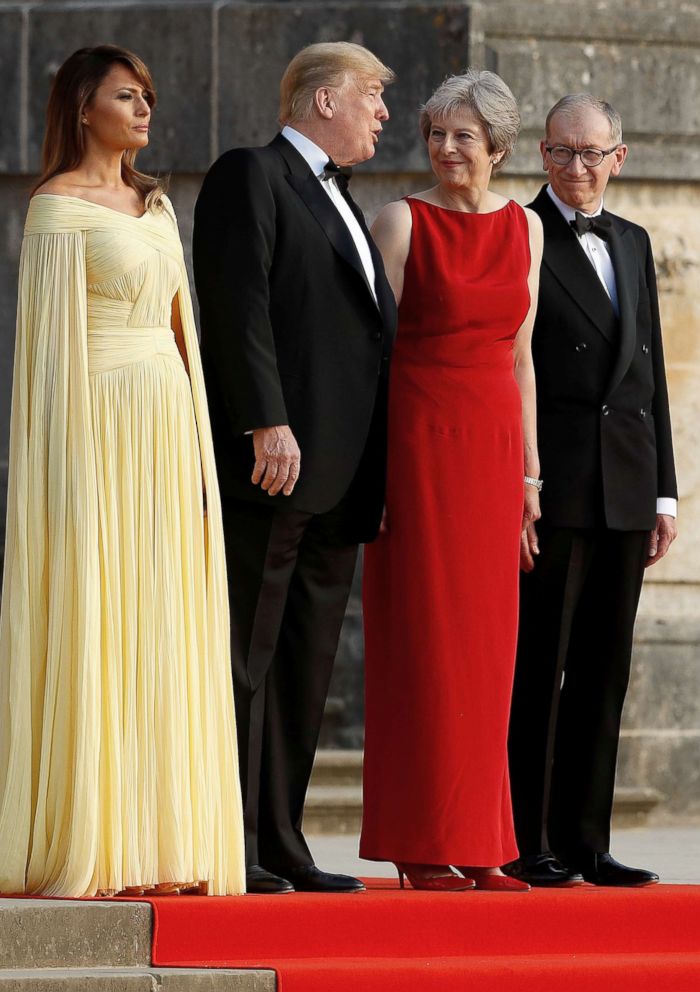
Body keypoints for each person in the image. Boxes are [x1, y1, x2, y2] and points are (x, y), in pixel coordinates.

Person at [0, 45, 245, 899]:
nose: (146, 109)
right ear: (84, 107)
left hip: (165, 426)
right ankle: (98, 841)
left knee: (163, 623)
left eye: (148, 96)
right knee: (105, 620)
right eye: (128, 95)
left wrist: (202, 454)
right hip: (100, 434)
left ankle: (165, 843)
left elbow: (184, 334)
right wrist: (66, 472)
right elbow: (48, 361)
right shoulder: (57, 209)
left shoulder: (157, 206)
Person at [193, 42, 397, 895]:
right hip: (274, 465)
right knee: (245, 656)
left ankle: (281, 840)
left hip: (343, 477)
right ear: (322, 100)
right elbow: (238, 307)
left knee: (305, 664)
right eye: (373, 97)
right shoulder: (252, 174)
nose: (384, 113)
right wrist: (265, 421)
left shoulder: (349, 200)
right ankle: (225, 840)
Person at [360, 69, 543, 892]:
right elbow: (369, 358)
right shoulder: (399, 222)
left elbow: (520, 358)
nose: (445, 148)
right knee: (424, 644)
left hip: (494, 452)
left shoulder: (526, 232)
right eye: (436, 133)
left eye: (463, 136)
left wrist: (532, 476)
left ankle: (480, 841)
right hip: (419, 445)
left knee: (486, 653)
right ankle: (419, 842)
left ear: (499, 148)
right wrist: (376, 471)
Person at [504, 94, 678, 889]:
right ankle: (528, 840)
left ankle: (588, 842)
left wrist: (666, 495)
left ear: (620, 157)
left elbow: (652, 378)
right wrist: (521, 483)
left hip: (629, 487)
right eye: (561, 152)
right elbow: (509, 372)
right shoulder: (523, 234)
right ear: (541, 155)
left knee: (605, 672)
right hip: (557, 485)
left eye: (591, 153)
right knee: (541, 668)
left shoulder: (636, 242)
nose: (576, 167)